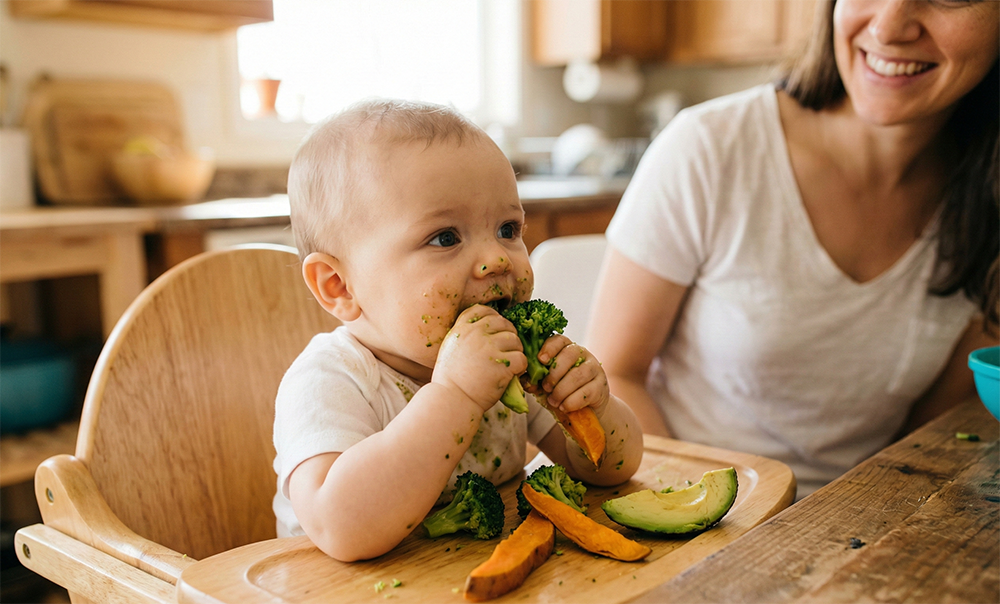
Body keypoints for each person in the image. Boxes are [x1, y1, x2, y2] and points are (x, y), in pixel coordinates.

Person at [588, 0, 1000, 499]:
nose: (889, 26)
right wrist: (708, 520)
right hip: (689, 513)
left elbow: (930, 434)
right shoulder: (710, 148)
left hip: (853, 524)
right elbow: (615, 376)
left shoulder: (988, 200)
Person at [273, 100, 644, 561]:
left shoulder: (510, 363)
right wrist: (454, 397)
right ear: (339, 286)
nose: (497, 259)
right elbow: (340, 528)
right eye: (445, 237)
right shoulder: (330, 382)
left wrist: (597, 407)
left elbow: (612, 471)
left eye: (508, 228)